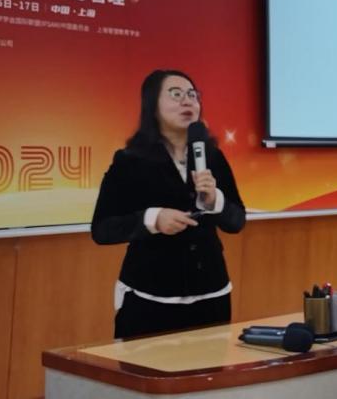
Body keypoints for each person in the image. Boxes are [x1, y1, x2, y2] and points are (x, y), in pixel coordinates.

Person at [91, 69, 246, 339]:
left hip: (211, 294)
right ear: (152, 105)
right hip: (149, 297)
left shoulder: (213, 157)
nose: (187, 101)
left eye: (192, 95)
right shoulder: (129, 161)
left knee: (207, 366)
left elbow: (237, 221)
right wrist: (153, 219)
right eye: (176, 94)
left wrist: (215, 201)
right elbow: (102, 229)